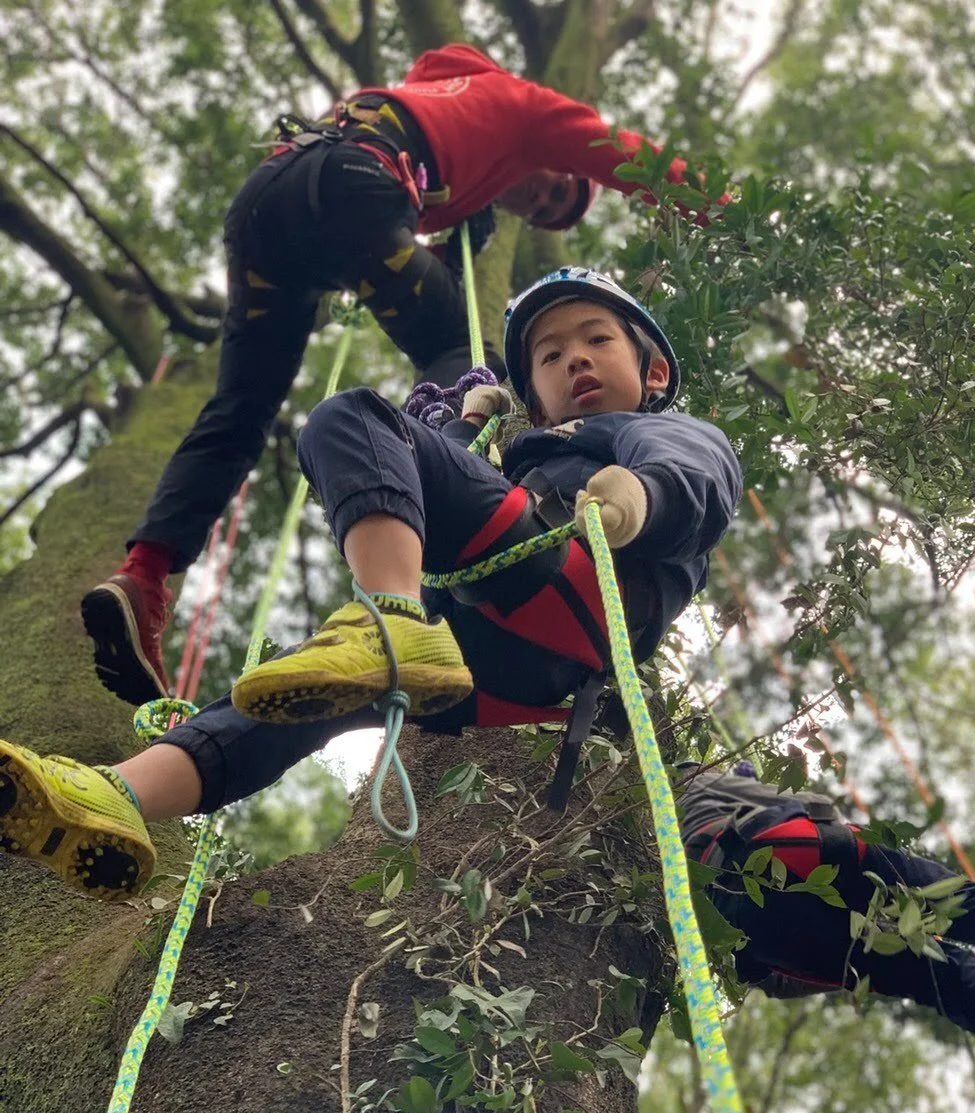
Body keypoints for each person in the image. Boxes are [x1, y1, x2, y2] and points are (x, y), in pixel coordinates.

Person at [1, 268, 741, 901]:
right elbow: (430, 490)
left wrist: (639, 500)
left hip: (572, 588)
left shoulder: (640, 434)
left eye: (597, 339)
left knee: (349, 418)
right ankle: (122, 796)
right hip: (503, 662)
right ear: (535, 399)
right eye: (551, 355)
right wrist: (454, 429)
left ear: (653, 373)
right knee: (281, 692)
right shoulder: (535, 451)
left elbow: (698, 476)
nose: (575, 358)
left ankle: (390, 620)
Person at [81, 43, 704, 708]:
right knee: (462, 349)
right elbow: (620, 151)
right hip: (355, 189)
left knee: (241, 408)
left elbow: (431, 244)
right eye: (554, 185)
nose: (540, 196)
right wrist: (713, 204)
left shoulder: (436, 107)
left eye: (545, 210)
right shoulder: (522, 107)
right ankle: (423, 468)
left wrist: (459, 229)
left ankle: (144, 577)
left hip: (272, 204)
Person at [679, 763, 975, 1076]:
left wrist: (853, 963)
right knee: (968, 907)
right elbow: (796, 802)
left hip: (758, 925)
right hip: (792, 850)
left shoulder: (671, 842)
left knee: (943, 980)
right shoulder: (714, 780)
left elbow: (776, 983)